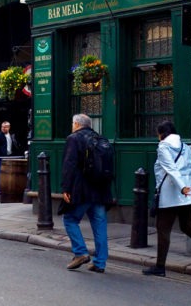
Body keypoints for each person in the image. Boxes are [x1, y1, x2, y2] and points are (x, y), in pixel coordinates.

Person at [143, 120, 191, 276]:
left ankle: (160, 267)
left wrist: (182, 188)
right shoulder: (186, 147)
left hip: (171, 194)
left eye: (158, 134)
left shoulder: (163, 147)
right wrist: (189, 190)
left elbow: (171, 169)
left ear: (162, 134)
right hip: (188, 195)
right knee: (188, 226)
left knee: (163, 229)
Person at [60, 113, 112, 273]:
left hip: (82, 189)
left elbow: (69, 164)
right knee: (100, 224)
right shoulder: (101, 139)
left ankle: (80, 252)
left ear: (76, 124)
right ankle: (100, 262)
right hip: (101, 189)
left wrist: (66, 188)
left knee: (69, 219)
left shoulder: (73, 138)